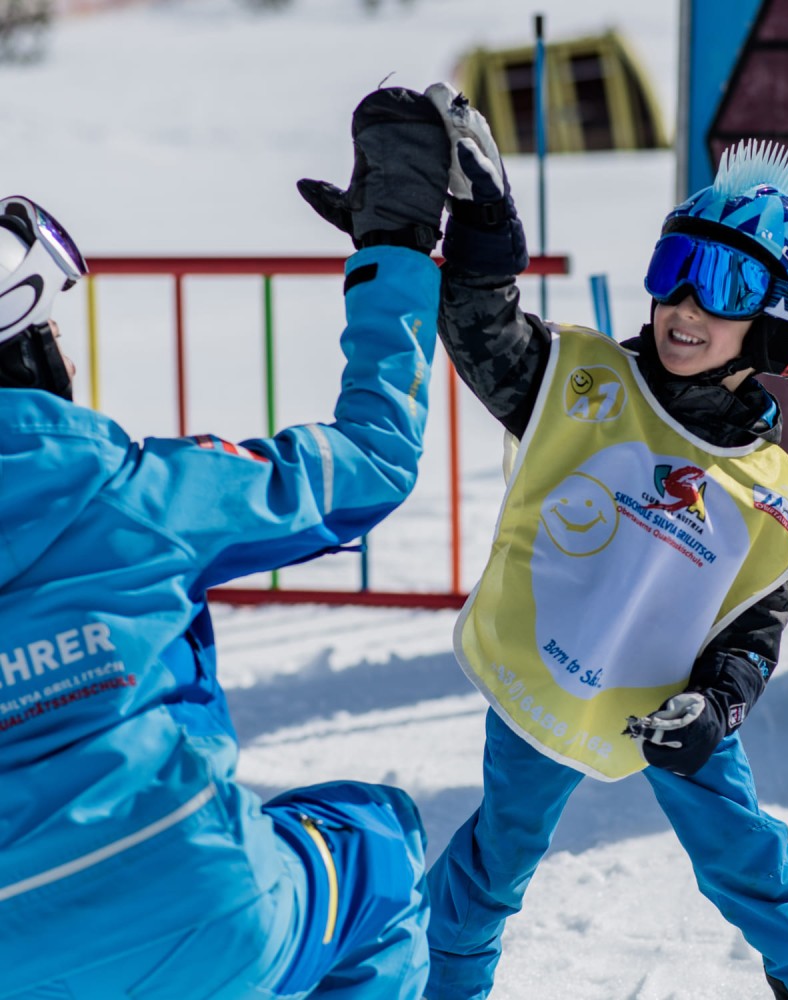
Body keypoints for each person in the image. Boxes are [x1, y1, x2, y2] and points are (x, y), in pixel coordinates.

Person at [0, 85, 452, 1000]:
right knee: (378, 846)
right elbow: (369, 461)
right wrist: (396, 251)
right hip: (208, 911)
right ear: (36, 355)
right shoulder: (145, 495)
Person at [417, 82, 788, 1000]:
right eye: (676, 266)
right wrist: (484, 233)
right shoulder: (581, 378)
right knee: (498, 855)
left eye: (727, 286)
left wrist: (715, 707)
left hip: (672, 705)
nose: (684, 305)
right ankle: (441, 986)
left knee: (744, 858)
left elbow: (750, 632)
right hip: (548, 673)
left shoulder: (769, 494)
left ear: (777, 322)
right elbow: (482, 333)